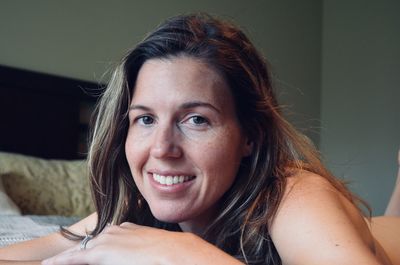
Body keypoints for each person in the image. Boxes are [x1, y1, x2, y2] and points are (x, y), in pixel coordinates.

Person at [0, 13, 398, 265]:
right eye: (145, 119)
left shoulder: (292, 195)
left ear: (251, 136)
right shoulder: (137, 208)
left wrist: (182, 253)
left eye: (195, 119)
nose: (161, 149)